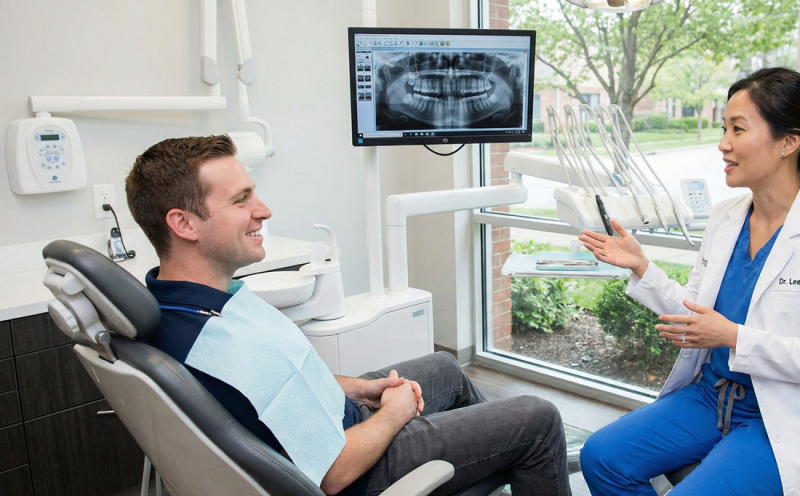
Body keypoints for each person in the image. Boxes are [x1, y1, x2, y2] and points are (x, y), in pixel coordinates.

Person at [125, 135, 570, 496]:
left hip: (339, 423)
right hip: (357, 470)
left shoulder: (188, 301)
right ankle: (524, 455)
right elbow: (332, 473)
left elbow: (282, 380)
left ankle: (503, 464)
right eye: (241, 200)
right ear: (183, 224)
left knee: (445, 368)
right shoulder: (217, 348)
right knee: (537, 419)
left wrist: (362, 388)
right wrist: (393, 413)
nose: (263, 210)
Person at [578, 67, 800, 496]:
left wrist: (734, 336)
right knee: (602, 456)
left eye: (738, 129)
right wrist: (642, 267)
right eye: (724, 128)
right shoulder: (726, 218)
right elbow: (697, 316)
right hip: (711, 397)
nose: (723, 144)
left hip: (780, 415)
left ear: (789, 142)